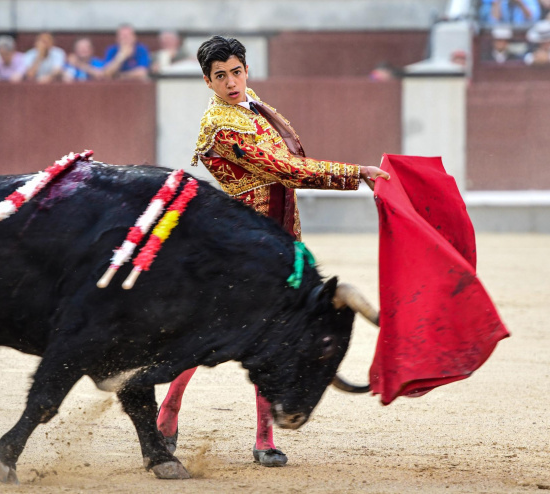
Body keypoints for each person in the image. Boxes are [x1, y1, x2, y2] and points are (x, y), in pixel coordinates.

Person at [156, 35, 389, 468]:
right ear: (207, 81)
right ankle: (168, 411)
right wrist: (355, 173)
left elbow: (291, 162)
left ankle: (264, 437)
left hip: (280, 240)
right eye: (220, 76)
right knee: (206, 334)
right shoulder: (221, 126)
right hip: (239, 248)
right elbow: (286, 169)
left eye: (236, 72)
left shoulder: (255, 106)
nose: (231, 82)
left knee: (275, 336)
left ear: (246, 70)